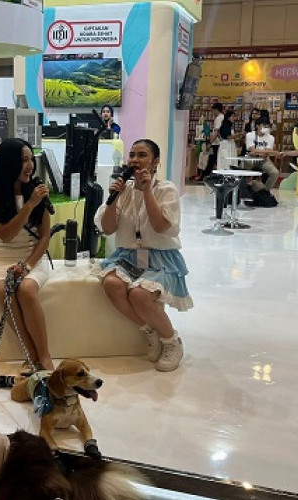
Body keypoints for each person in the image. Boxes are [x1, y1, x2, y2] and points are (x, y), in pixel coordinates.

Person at [94, 139, 192, 372]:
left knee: (139, 295)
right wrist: (114, 198)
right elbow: (107, 228)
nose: (135, 160)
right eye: (132, 155)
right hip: (128, 255)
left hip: (160, 257)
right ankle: (151, 332)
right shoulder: (123, 190)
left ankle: (171, 341)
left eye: (142, 155)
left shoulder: (166, 190)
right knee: (111, 284)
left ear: (155, 161)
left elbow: (160, 226)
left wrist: (147, 190)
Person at [0, 138, 54, 372]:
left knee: (27, 289)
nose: (30, 166)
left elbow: (44, 237)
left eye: (31, 159)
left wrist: (28, 266)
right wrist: (29, 205)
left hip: (33, 257)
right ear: (8, 163)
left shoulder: (38, 192)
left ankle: (45, 356)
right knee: (5, 292)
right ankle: (30, 354)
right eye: (23, 160)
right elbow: (6, 235)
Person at [245, 116, 280, 192]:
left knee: (275, 173)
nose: (266, 128)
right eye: (264, 125)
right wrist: (269, 152)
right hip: (250, 159)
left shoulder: (271, 137)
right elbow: (252, 150)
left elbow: (266, 152)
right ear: (257, 126)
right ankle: (244, 190)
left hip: (264, 160)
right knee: (243, 171)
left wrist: (258, 152)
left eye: (268, 126)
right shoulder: (250, 135)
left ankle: (265, 191)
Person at [202, 102, 224, 178]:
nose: (212, 112)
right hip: (218, 143)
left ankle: (205, 176)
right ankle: (206, 175)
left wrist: (210, 142)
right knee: (213, 160)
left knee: (211, 160)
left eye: (213, 110)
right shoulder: (222, 117)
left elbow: (216, 132)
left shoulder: (218, 118)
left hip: (216, 143)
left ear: (216, 109)